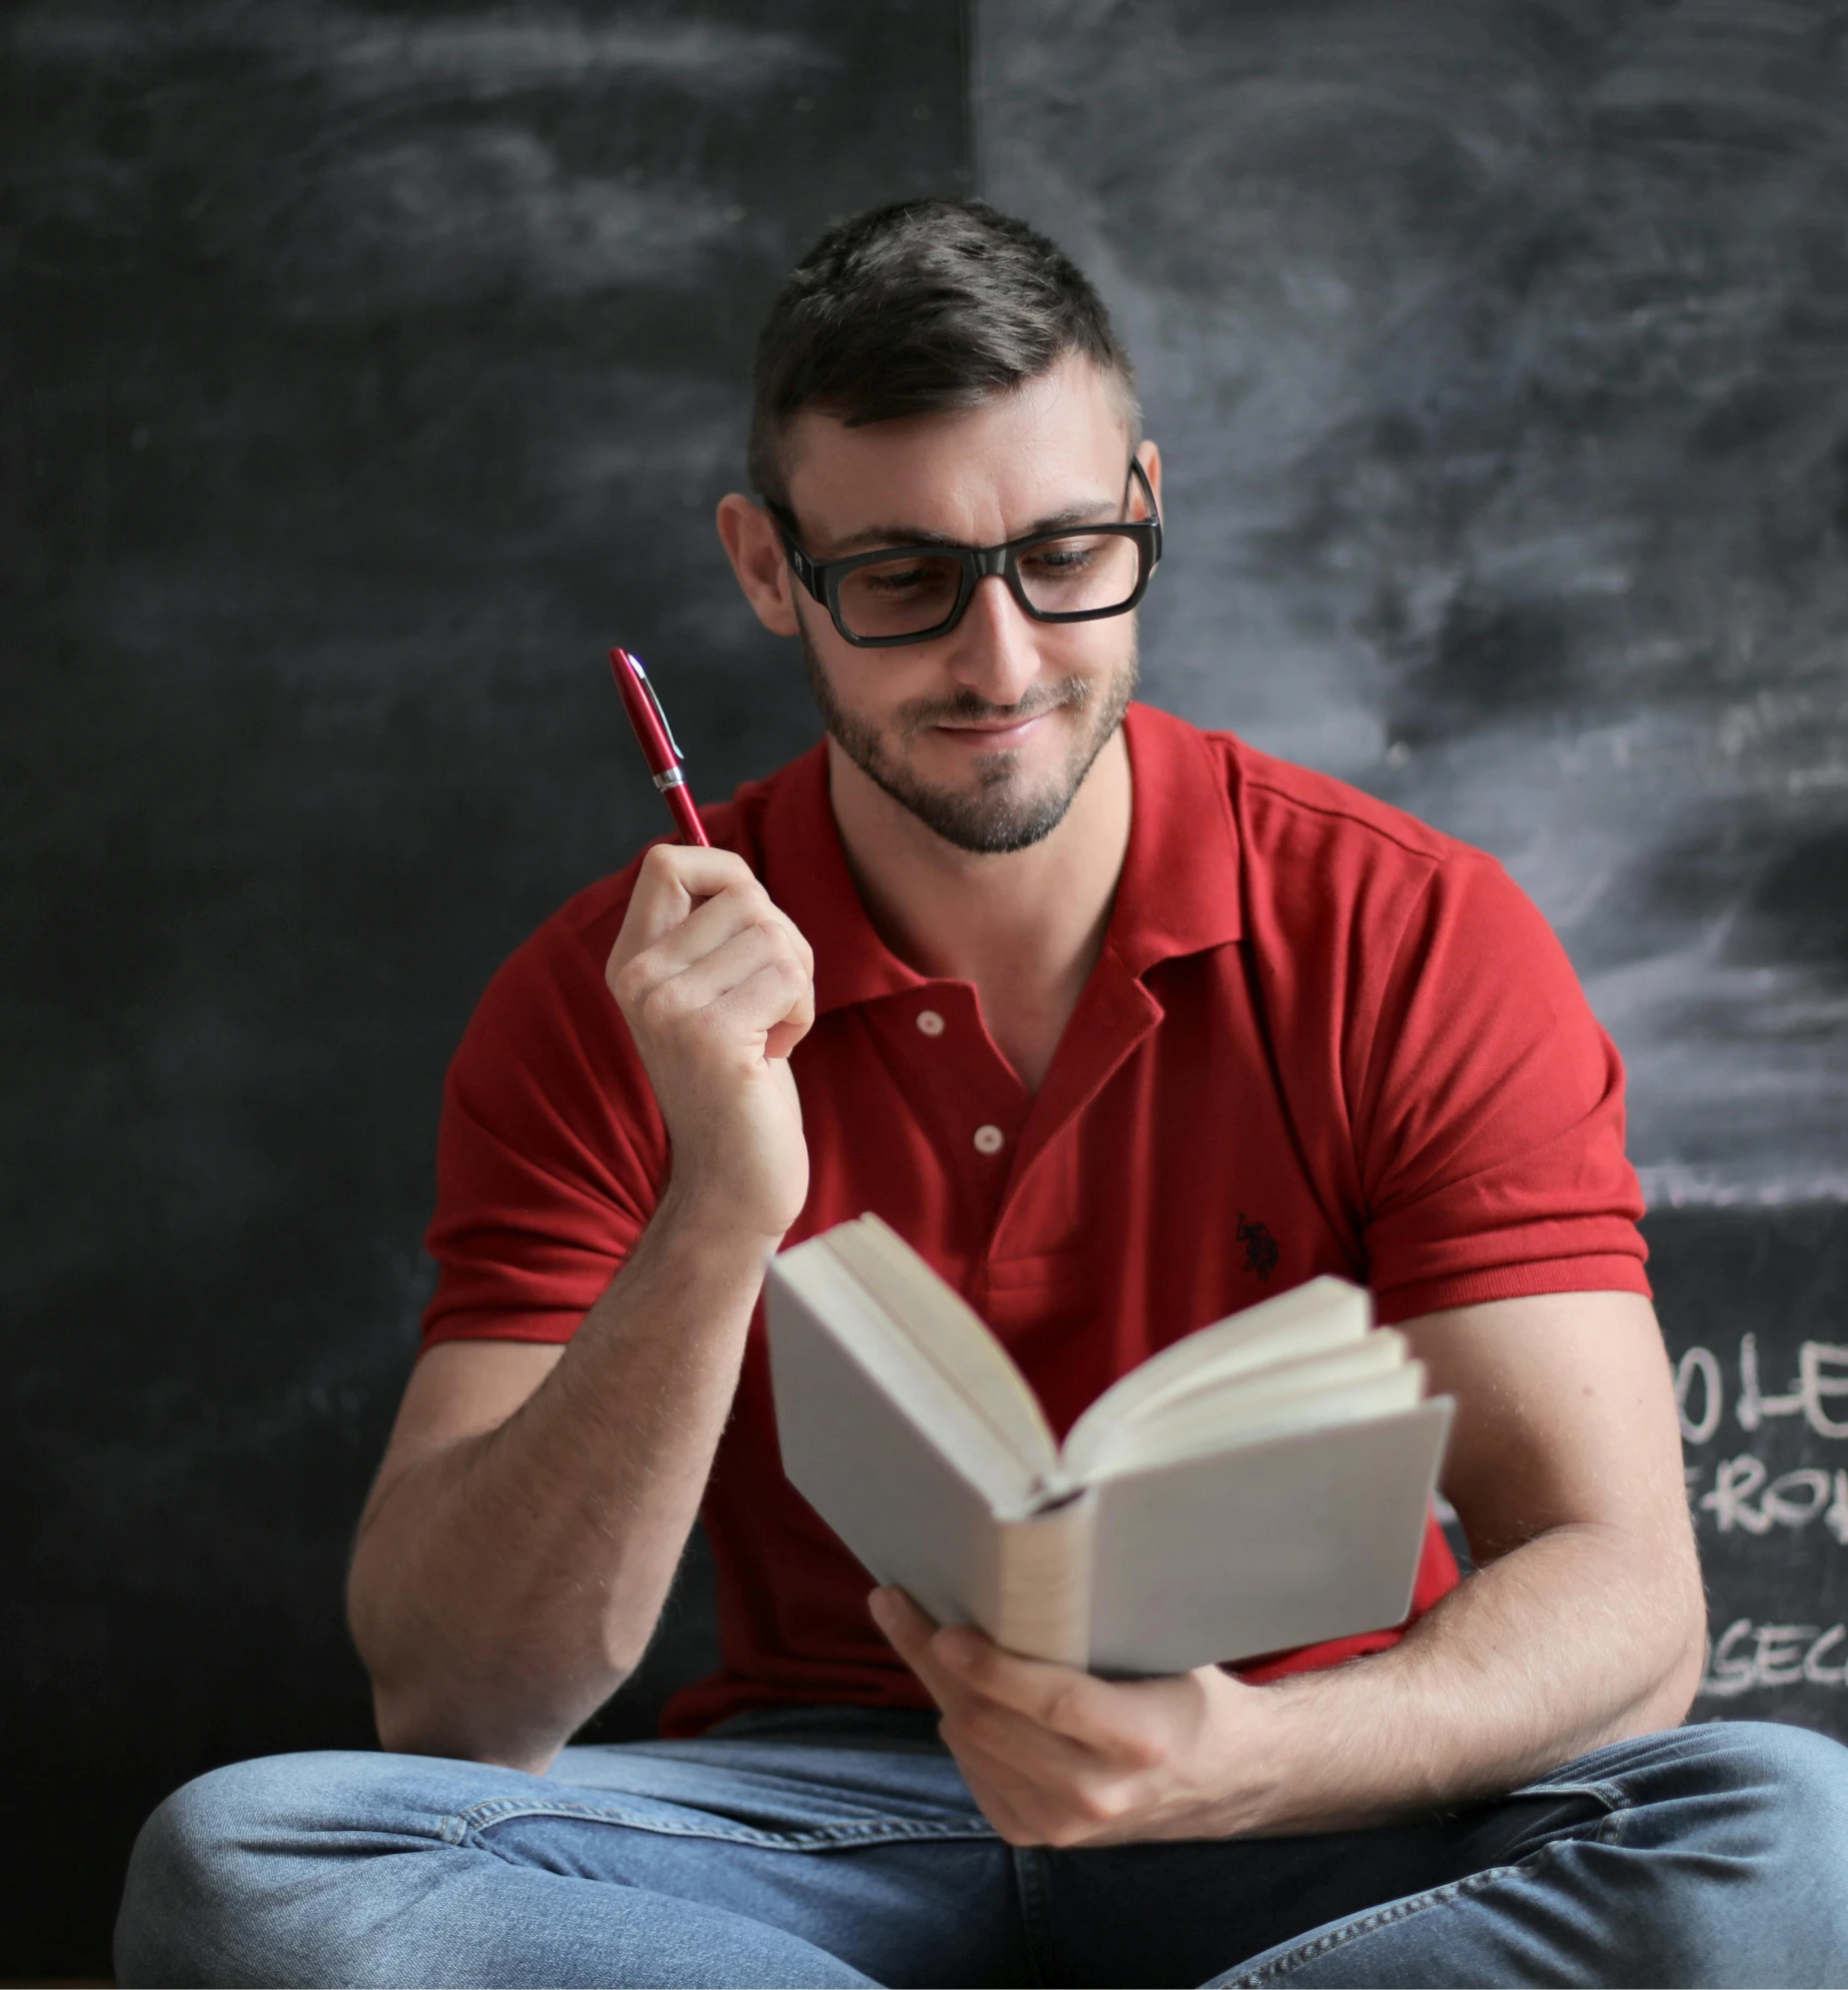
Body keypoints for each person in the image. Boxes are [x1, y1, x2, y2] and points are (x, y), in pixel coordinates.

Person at [117, 199, 1848, 1989]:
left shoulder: (1409, 932)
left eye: (1066, 553)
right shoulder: (605, 993)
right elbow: (457, 1699)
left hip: (1314, 1810)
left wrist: (1238, 1768)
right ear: (767, 566)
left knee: (1787, 1838)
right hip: (822, 1830)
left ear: (1148, 510)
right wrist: (719, 1207)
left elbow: (1628, 1608)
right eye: (901, 579)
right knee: (247, 1870)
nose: (1002, 662)